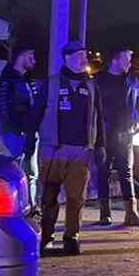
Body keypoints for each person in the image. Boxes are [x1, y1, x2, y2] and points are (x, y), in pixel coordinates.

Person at [38, 39, 103, 256]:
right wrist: (29, 140)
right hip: (54, 150)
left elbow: (99, 117)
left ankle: (71, 237)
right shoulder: (51, 84)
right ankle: (47, 237)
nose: (83, 60)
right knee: (49, 196)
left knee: (76, 198)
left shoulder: (91, 86)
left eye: (84, 56)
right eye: (78, 56)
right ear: (66, 58)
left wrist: (100, 146)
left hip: (81, 151)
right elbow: (37, 112)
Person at [94, 47, 139, 227]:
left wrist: (135, 124)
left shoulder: (132, 81)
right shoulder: (99, 81)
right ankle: (105, 213)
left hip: (125, 134)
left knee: (126, 172)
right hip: (104, 134)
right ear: (114, 60)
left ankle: (131, 214)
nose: (129, 63)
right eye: (126, 59)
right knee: (103, 172)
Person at [0, 44, 45, 211]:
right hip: (16, 133)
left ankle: (32, 206)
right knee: (16, 172)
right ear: (21, 57)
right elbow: (4, 109)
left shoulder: (27, 80)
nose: (34, 61)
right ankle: (16, 206)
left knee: (32, 173)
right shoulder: (7, 81)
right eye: (30, 57)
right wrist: (16, 130)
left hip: (30, 132)